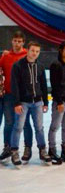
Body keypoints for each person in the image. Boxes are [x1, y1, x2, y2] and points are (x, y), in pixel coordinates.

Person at [8, 42, 50, 167]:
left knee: (39, 127)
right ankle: (14, 151)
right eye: (33, 50)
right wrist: (17, 103)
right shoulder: (18, 66)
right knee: (18, 127)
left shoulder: (40, 66)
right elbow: (14, 85)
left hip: (37, 102)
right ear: (28, 50)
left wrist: (45, 102)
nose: (35, 53)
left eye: (37, 51)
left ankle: (42, 150)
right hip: (23, 102)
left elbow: (43, 85)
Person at [0, 31, 33, 162]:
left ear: (23, 42)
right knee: (9, 123)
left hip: (24, 96)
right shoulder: (6, 56)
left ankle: (27, 147)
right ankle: (7, 147)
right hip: (9, 95)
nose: (17, 43)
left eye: (19, 41)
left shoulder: (28, 55)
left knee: (25, 123)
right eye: (15, 41)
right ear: (12, 41)